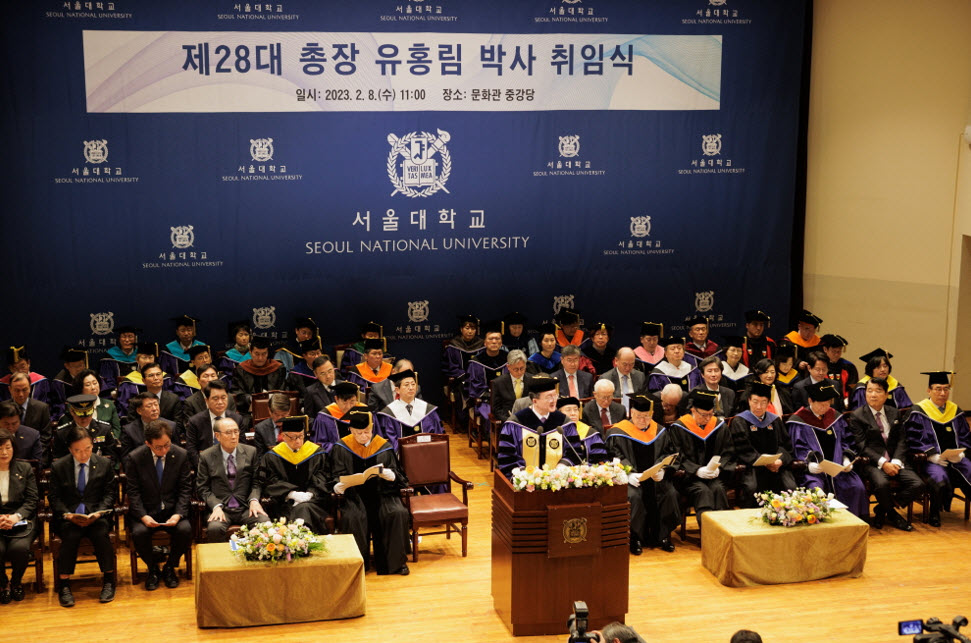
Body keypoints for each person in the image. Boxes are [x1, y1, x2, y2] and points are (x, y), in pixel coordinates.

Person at [329, 407, 410, 575]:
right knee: (353, 517)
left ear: (372, 428)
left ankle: (395, 563)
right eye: (358, 433)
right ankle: (358, 565)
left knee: (397, 512)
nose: (363, 436)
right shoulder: (342, 447)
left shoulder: (383, 446)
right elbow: (335, 474)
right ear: (350, 430)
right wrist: (338, 485)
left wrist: (392, 476)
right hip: (354, 496)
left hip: (383, 494)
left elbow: (400, 475)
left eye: (367, 432)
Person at [48, 427, 116, 607]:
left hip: (96, 515)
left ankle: (109, 580)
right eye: (78, 450)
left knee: (101, 534)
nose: (83, 454)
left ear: (92, 445)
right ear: (70, 450)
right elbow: (54, 497)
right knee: (70, 536)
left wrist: (99, 512)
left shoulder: (104, 464)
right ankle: (64, 585)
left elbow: (110, 494)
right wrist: (67, 514)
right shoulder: (59, 466)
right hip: (70, 517)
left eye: (87, 448)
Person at [605, 394, 679, 554]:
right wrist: (628, 473)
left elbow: (670, 454)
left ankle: (664, 536)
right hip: (631, 480)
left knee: (669, 493)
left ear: (651, 415)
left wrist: (663, 470)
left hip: (655, 480)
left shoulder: (660, 431)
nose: (642, 420)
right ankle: (634, 538)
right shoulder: (618, 432)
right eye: (639, 416)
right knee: (634, 496)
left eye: (646, 417)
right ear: (631, 413)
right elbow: (613, 457)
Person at [125, 420, 192, 590]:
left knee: (185, 530)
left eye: (167, 445)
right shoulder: (135, 458)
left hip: (172, 510)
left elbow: (185, 490)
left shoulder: (181, 455)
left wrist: (178, 514)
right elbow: (133, 493)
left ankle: (170, 567)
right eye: (158, 447)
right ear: (148, 443)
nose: (164, 450)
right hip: (147, 511)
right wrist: (143, 516)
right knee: (139, 533)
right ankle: (153, 568)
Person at [849, 378, 922, 531]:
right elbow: (862, 446)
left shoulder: (894, 412)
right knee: (882, 484)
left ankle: (882, 509)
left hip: (896, 460)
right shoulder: (857, 416)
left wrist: (896, 460)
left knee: (918, 484)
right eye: (869, 391)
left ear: (886, 394)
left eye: (878, 391)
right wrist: (884, 463)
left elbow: (902, 439)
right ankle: (893, 515)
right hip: (873, 463)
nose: (873, 395)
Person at [787, 381, 868, 519]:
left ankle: (853, 524)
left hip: (838, 470)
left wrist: (846, 458)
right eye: (821, 404)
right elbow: (797, 447)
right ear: (810, 401)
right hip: (814, 472)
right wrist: (808, 464)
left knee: (857, 487)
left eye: (828, 403)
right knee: (816, 491)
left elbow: (846, 440)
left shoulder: (835, 417)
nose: (825, 408)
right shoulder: (799, 420)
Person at [905, 371, 971, 527]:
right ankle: (934, 513)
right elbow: (912, 438)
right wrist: (931, 455)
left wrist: (961, 453)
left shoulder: (955, 411)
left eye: (946, 389)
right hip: (932, 461)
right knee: (939, 479)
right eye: (938, 388)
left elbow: (965, 436)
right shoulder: (918, 411)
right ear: (929, 390)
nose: (942, 393)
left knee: (970, 470)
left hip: (955, 459)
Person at [196, 417, 268, 542]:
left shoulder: (251, 452)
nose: (234, 436)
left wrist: (254, 500)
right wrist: (216, 506)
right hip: (221, 508)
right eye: (229, 433)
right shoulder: (206, 456)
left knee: (264, 523)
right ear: (217, 436)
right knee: (214, 528)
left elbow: (256, 482)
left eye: (236, 431)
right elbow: (203, 487)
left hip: (246, 507)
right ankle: (219, 562)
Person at [257, 415, 331, 535]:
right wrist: (292, 494)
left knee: (304, 507)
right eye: (293, 437)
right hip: (284, 504)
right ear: (283, 436)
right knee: (298, 510)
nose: (298, 441)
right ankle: (303, 543)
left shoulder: (316, 453)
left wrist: (310, 493)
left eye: (301, 436)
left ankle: (296, 543)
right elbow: (270, 481)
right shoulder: (272, 456)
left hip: (313, 502)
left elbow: (322, 476)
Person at [497, 376, 583, 478]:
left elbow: (574, 452)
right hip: (525, 486)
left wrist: (562, 467)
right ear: (534, 401)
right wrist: (526, 475)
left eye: (555, 395)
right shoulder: (514, 424)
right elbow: (507, 458)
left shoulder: (564, 423)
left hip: (559, 483)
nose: (554, 400)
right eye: (548, 397)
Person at [726, 382, 796, 507]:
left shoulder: (774, 420)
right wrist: (763, 462)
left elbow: (786, 446)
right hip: (752, 466)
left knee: (790, 487)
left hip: (776, 467)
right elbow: (742, 450)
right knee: (752, 487)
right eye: (755, 401)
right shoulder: (739, 421)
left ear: (769, 402)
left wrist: (779, 460)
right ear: (749, 401)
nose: (759, 406)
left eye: (763, 402)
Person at [670, 391, 732, 527]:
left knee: (718, 489)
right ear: (693, 410)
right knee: (702, 491)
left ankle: (725, 532)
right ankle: (707, 535)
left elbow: (728, 452)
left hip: (714, 476)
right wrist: (696, 470)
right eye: (704, 415)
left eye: (711, 414)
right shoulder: (679, 427)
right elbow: (677, 456)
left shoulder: (719, 426)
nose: (708, 419)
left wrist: (719, 469)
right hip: (689, 478)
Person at [0, 428, 38, 604]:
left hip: (21, 519)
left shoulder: (24, 468)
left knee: (19, 548)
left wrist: (16, 516)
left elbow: (32, 500)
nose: (4, 452)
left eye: (7, 447)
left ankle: (16, 583)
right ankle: (3, 584)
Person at [374, 369, 444, 452]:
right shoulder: (389, 414)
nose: (411, 388)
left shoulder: (428, 411)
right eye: (406, 385)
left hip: (427, 455)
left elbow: (438, 436)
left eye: (413, 384)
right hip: (401, 459)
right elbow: (389, 441)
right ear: (397, 390)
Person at [184, 381, 248, 467]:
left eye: (223, 397)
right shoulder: (195, 421)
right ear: (206, 400)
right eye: (215, 398)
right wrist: (205, 469)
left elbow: (242, 447)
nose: (220, 402)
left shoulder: (237, 419)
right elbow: (191, 452)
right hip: (206, 470)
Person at [52, 394, 119, 464]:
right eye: (80, 416)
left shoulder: (104, 429)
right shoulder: (62, 433)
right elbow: (57, 461)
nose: (84, 419)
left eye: (88, 415)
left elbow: (112, 458)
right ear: (72, 412)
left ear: (93, 410)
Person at [232, 335, 286, 415]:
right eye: (257, 354)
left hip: (275, 412)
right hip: (249, 413)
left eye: (264, 354)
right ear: (250, 352)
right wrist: (251, 399)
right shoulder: (241, 369)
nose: (260, 358)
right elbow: (238, 393)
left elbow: (283, 390)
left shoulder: (278, 368)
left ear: (268, 353)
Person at [466, 323, 508, 425]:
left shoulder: (508, 359)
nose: (494, 342)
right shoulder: (476, 362)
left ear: (501, 343)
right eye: (491, 339)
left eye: (497, 339)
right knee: (490, 417)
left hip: (506, 399)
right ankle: (493, 440)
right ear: (484, 343)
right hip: (485, 401)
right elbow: (474, 387)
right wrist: (491, 395)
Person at [120, 392, 177, 462]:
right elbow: (126, 458)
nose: (154, 409)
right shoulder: (129, 430)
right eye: (149, 406)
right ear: (139, 411)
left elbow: (177, 453)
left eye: (156, 405)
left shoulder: (171, 426)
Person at [178, 363, 237, 428]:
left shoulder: (228, 398)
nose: (210, 380)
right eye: (206, 376)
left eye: (213, 376)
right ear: (198, 380)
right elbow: (189, 427)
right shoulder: (190, 402)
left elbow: (234, 422)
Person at [6, 372, 51, 451]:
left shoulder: (42, 408)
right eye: (17, 390)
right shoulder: (2, 408)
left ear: (30, 388)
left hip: (34, 454)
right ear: (10, 389)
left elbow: (45, 437)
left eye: (24, 390)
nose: (21, 394)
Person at [556, 396, 607, 464]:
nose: (573, 413)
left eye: (575, 409)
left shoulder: (590, 434)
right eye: (568, 410)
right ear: (559, 413)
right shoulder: (553, 433)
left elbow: (599, 460)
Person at [309, 381, 360, 449]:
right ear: (336, 399)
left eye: (352, 402)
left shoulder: (364, 414)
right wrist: (341, 449)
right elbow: (319, 444)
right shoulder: (324, 417)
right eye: (344, 402)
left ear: (356, 399)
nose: (348, 407)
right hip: (336, 457)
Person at [72, 369, 121, 440]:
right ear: (80, 388)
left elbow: (116, 429)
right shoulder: (73, 406)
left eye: (95, 383)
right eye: (88, 385)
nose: (93, 387)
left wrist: (110, 441)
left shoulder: (109, 405)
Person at [600, 347, 647, 412]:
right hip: (615, 413)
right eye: (625, 364)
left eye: (631, 364)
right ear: (616, 361)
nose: (628, 368)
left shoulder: (640, 376)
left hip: (636, 414)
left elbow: (644, 399)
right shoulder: (606, 378)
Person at [491, 350, 532, 423]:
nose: (519, 372)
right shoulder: (498, 383)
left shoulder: (533, 380)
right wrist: (509, 420)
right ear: (508, 367)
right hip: (508, 421)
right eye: (516, 369)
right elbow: (496, 409)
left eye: (522, 368)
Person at [51, 347, 91, 419]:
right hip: (70, 416)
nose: (79, 369)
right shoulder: (60, 382)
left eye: (81, 365)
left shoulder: (91, 377)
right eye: (75, 366)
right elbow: (59, 406)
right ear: (67, 366)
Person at [442, 314, 484, 381]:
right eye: (467, 328)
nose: (470, 332)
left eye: (473, 329)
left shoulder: (481, 344)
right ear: (461, 329)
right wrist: (464, 376)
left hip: (478, 378)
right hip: (460, 379)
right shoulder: (454, 345)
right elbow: (451, 366)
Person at [99, 325, 141, 391]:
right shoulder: (110, 356)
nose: (127, 340)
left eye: (130, 336)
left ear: (135, 338)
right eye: (124, 336)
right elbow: (107, 379)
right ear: (119, 339)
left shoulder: (140, 355)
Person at [252, 393, 292, 458]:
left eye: (284, 414)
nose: (280, 418)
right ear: (269, 411)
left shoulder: (298, 425)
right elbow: (260, 457)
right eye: (276, 414)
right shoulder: (260, 429)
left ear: (289, 411)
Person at [285, 336, 324, 401]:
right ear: (304, 356)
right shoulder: (297, 373)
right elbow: (293, 397)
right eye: (312, 354)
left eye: (318, 353)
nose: (317, 357)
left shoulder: (329, 369)